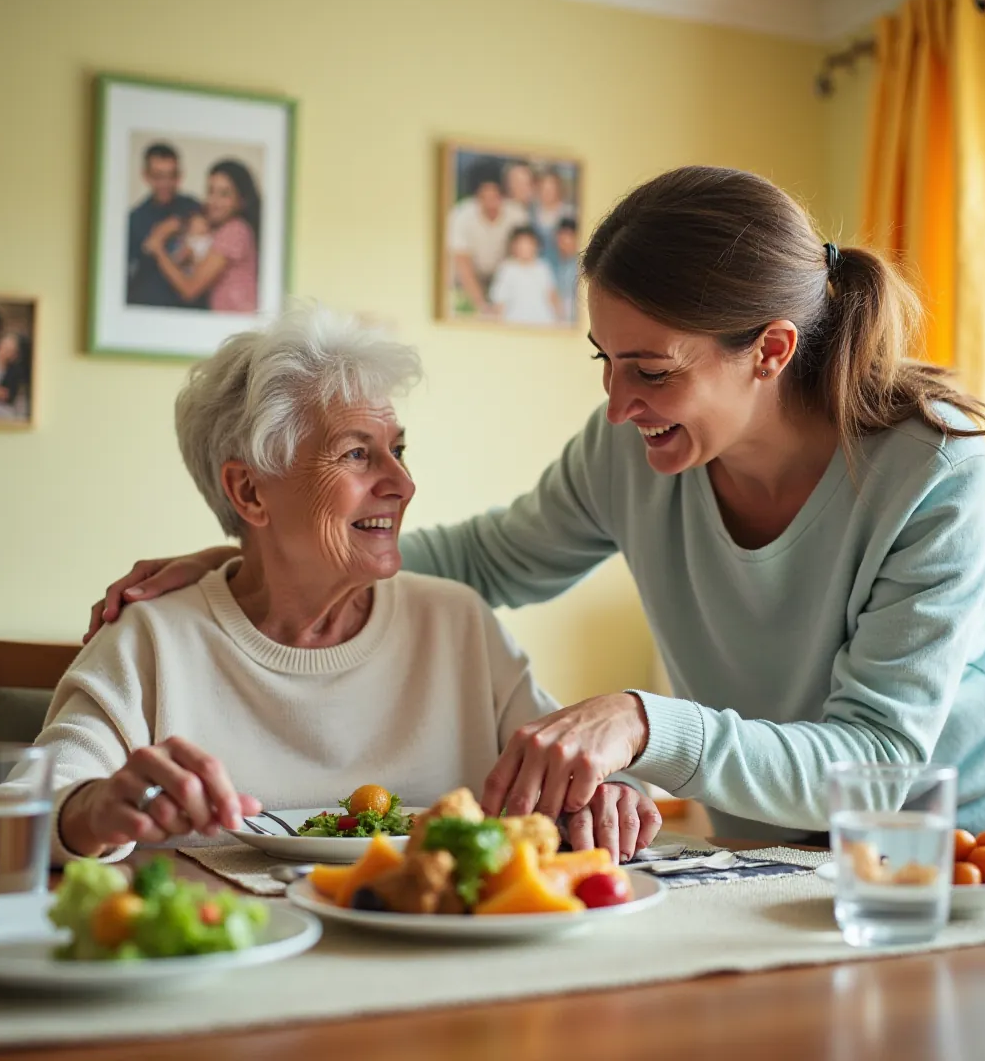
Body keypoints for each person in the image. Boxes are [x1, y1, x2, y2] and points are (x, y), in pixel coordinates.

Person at [85, 166, 985, 883]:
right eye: (604, 362)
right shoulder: (631, 451)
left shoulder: (932, 463)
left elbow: (877, 759)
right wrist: (270, 554)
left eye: (649, 370)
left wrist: (646, 720)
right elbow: (482, 560)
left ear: (771, 350)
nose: (617, 405)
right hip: (781, 845)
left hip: (976, 834)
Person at [41, 304, 660, 864]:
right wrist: (94, 809)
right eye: (358, 454)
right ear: (249, 491)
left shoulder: (459, 624)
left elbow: (576, 775)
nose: (403, 484)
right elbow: (33, 806)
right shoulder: (152, 638)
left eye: (398, 450)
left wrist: (608, 797)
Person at [141, 159, 260, 313]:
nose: (214, 201)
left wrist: (158, 250)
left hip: (236, 321)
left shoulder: (235, 230)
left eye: (224, 194)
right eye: (211, 191)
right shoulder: (222, 229)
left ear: (241, 200)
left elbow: (189, 289)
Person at [126, 142, 204, 309]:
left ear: (180, 175)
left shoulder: (193, 207)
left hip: (189, 306)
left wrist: (179, 225)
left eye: (172, 176)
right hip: (149, 305)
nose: (166, 183)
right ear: (146, 176)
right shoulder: (134, 219)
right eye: (158, 176)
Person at [446, 160, 529, 316]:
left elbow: (520, 259)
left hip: (500, 278)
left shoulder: (517, 215)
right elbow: (462, 264)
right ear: (477, 195)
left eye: (495, 195)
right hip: (465, 281)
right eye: (485, 195)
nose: (491, 201)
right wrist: (482, 306)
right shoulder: (460, 215)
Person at [489, 227, 559, 325]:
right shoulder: (507, 269)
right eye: (520, 244)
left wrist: (558, 319)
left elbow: (552, 296)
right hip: (514, 323)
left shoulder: (543, 267)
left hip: (543, 323)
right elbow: (499, 301)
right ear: (513, 246)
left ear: (536, 246)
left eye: (528, 244)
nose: (524, 248)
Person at [529, 169, 574, 256]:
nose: (547, 192)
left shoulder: (568, 212)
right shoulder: (531, 211)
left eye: (551, 188)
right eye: (544, 188)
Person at [549, 217, 580, 323]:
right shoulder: (549, 262)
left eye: (569, 237)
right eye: (560, 237)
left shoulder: (581, 265)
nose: (563, 242)